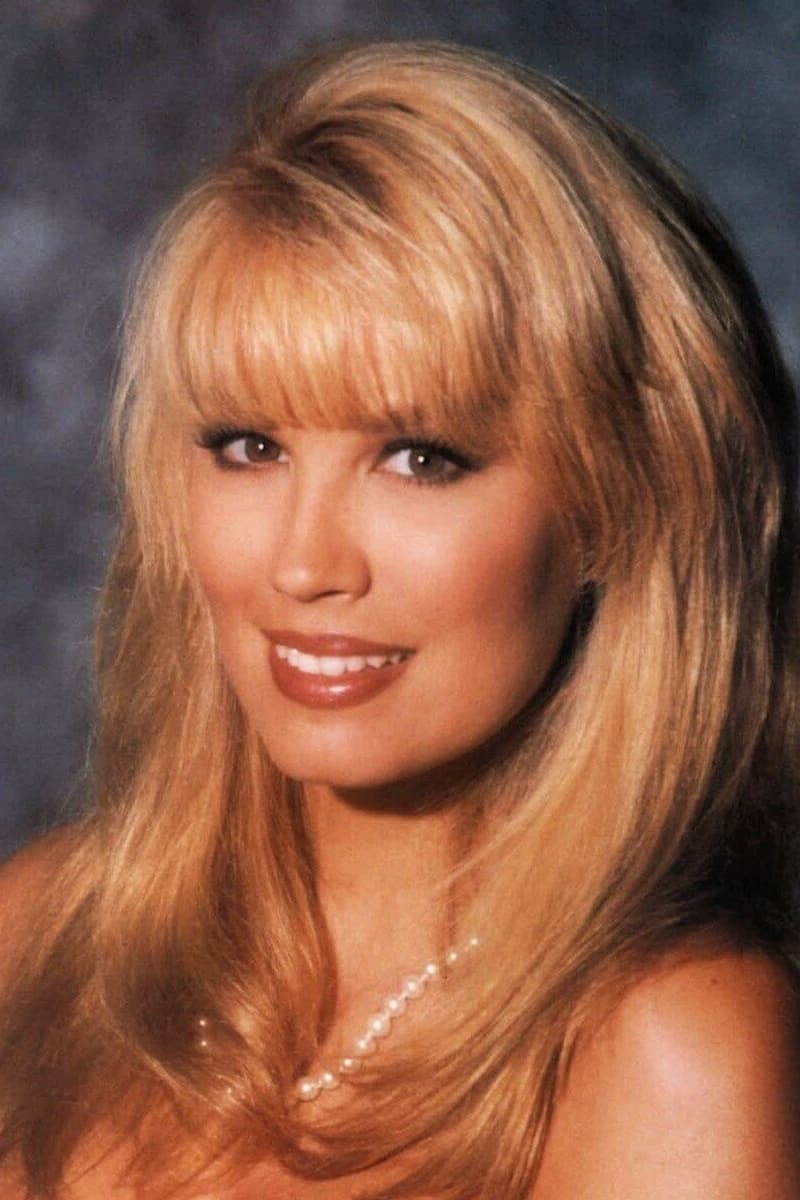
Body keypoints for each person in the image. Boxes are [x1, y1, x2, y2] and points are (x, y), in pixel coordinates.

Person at [1, 39, 798, 1200]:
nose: (303, 564)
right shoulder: (36, 937)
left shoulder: (670, 1053)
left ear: (614, 507)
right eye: (250, 446)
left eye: (420, 457)